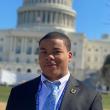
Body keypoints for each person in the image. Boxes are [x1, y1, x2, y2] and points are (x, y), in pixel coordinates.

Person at [6, 32, 103, 110]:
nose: (49, 57)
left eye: (56, 52)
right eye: (44, 52)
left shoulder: (90, 97)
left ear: (69, 56)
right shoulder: (18, 93)